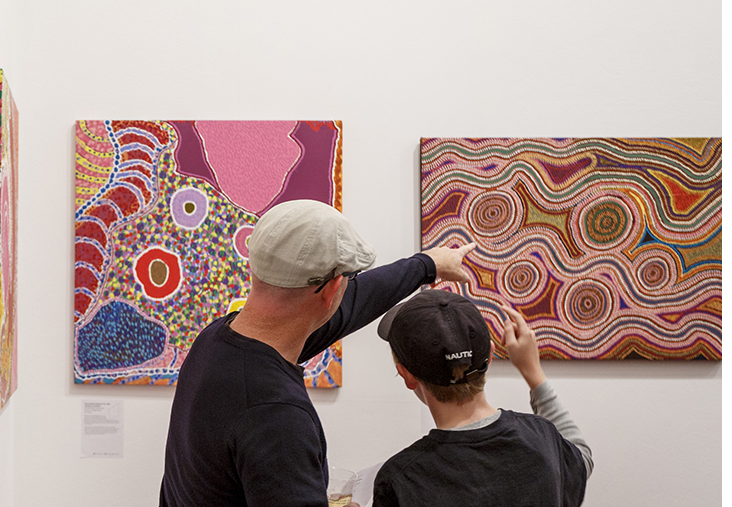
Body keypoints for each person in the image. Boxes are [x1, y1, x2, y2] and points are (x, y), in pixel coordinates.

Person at [159, 200, 474, 507]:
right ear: (331, 288)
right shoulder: (277, 414)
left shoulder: (216, 341)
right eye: (347, 281)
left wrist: (427, 265)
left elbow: (352, 305)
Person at [373, 290, 594, 506]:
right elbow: (581, 461)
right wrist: (532, 371)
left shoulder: (401, 480)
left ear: (407, 375)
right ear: (489, 355)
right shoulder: (545, 441)